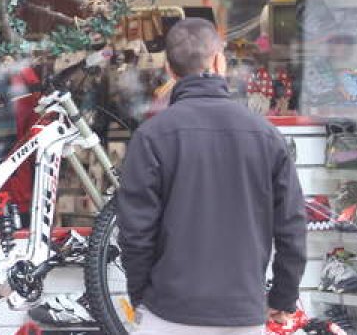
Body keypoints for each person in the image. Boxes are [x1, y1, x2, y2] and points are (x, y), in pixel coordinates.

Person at [117, 17, 306, 334]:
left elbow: (135, 231)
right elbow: (292, 226)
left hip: (168, 311)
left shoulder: (151, 136)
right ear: (219, 61)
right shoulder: (266, 135)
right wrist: (283, 297)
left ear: (169, 69)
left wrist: (141, 295)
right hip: (242, 312)